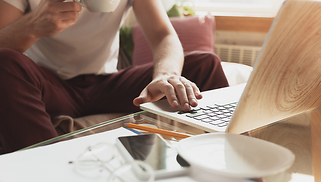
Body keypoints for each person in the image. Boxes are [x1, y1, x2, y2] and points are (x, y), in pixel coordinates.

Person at [0, 0, 229, 153]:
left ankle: (235, 160)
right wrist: (32, 26)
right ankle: (50, 174)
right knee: (5, 63)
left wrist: (166, 75)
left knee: (205, 65)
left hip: (104, 84)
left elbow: (162, 34)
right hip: (47, 86)